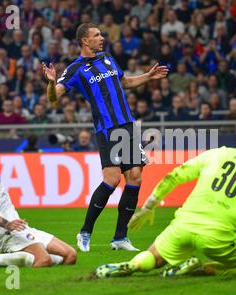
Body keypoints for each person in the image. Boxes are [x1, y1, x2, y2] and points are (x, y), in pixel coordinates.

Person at [43, 23, 168, 252]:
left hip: (127, 125)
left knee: (136, 178)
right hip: (107, 128)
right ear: (84, 41)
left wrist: (148, 76)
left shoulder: (108, 58)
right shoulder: (75, 69)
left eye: (101, 34)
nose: (102, 38)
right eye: (96, 35)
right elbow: (53, 98)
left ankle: (120, 237)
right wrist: (51, 82)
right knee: (112, 180)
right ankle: (85, 231)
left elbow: (125, 82)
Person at [95, 123, 236, 278]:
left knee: (154, 256)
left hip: (184, 225)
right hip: (218, 236)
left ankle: (133, 265)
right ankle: (213, 268)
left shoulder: (217, 153)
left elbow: (174, 176)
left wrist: (148, 207)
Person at [0, 117, 76, 269]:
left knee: (70, 255)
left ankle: (20, 257)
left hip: (15, 224)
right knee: (43, 260)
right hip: (5, 228)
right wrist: (5, 224)